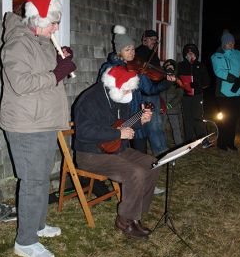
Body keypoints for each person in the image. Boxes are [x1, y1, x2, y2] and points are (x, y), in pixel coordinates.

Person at [0, 0, 76, 257]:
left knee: (42, 178)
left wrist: (62, 63)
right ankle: (26, 242)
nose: (56, 28)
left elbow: (51, 81)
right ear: (37, 19)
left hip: (43, 120)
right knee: (32, 181)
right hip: (25, 125)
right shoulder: (18, 44)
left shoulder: (43, 42)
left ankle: (38, 225)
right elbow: (23, 84)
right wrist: (58, 72)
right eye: (53, 22)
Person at [74, 65, 161, 240]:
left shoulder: (119, 95)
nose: (129, 93)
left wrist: (140, 120)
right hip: (91, 154)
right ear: (114, 85)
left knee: (152, 164)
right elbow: (84, 131)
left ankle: (136, 214)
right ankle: (125, 221)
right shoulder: (90, 99)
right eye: (126, 89)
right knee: (135, 173)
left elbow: (122, 124)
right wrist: (118, 134)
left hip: (116, 149)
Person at [98, 25, 175, 195]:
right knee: (118, 150)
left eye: (133, 48)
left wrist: (167, 82)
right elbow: (101, 92)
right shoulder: (108, 68)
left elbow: (149, 89)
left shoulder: (137, 69)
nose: (132, 52)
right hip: (117, 117)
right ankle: (117, 183)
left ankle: (147, 185)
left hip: (135, 115)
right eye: (128, 49)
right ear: (119, 51)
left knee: (141, 151)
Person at [211, 30, 240, 150]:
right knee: (226, 118)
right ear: (223, 44)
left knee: (234, 118)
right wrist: (234, 79)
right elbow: (219, 71)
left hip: (239, 92)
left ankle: (230, 142)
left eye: (233, 42)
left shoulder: (239, 54)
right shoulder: (217, 56)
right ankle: (222, 143)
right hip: (224, 93)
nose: (231, 44)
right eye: (229, 42)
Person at [135, 30, 169, 156]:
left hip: (153, 91)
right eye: (151, 39)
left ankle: (162, 150)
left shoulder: (153, 54)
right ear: (144, 39)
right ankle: (161, 152)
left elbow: (156, 72)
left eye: (155, 40)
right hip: (145, 93)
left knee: (156, 123)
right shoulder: (138, 52)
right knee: (154, 123)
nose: (153, 42)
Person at [177, 43, 211, 147]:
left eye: (192, 52)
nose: (190, 54)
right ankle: (189, 142)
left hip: (197, 96)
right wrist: (181, 84)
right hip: (186, 96)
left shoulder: (200, 65)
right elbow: (176, 80)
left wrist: (197, 84)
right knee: (187, 119)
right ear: (185, 54)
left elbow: (207, 82)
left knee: (198, 118)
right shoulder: (181, 65)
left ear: (196, 53)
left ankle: (204, 140)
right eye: (188, 52)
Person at [160, 59, 184, 146]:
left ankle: (179, 146)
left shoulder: (177, 80)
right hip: (162, 108)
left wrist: (170, 105)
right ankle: (162, 146)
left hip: (173, 109)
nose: (169, 69)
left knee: (176, 128)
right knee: (161, 128)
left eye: (171, 67)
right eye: (168, 67)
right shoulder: (162, 79)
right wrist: (161, 104)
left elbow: (180, 95)